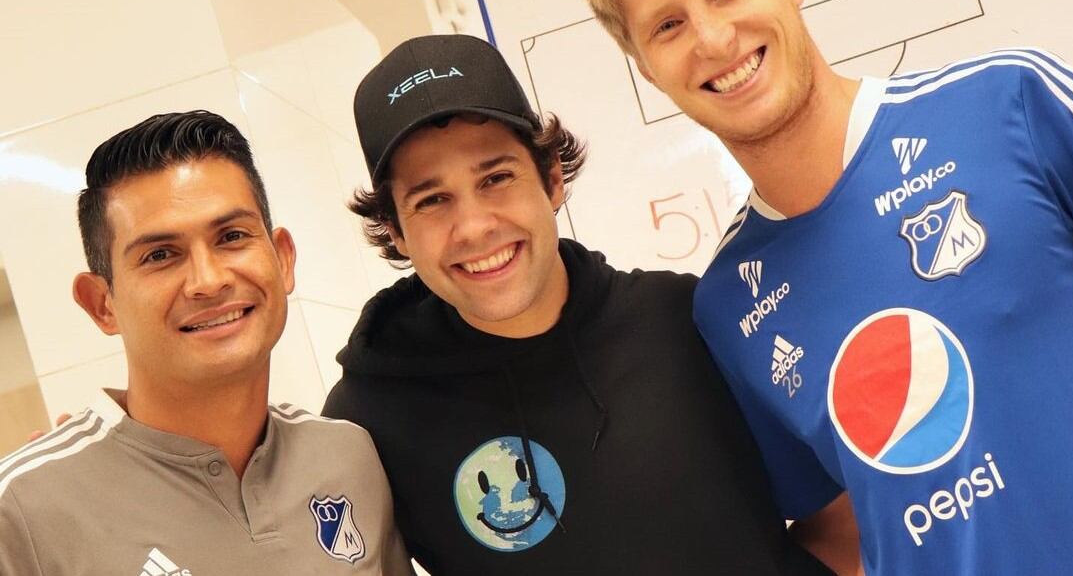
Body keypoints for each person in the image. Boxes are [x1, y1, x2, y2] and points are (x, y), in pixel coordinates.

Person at [576, 0, 1073, 575]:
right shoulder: (729, 304)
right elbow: (839, 528)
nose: (714, 38)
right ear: (648, 69)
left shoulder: (1011, 102)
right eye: (668, 24)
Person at [323, 33, 833, 575]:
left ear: (551, 179)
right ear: (396, 232)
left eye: (496, 178)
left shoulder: (692, 322)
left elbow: (838, 515)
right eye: (431, 200)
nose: (474, 226)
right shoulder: (368, 421)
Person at [0, 111, 413, 575]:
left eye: (232, 236)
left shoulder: (348, 457)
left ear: (282, 260)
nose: (209, 280)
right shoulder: (24, 510)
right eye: (160, 255)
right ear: (102, 304)